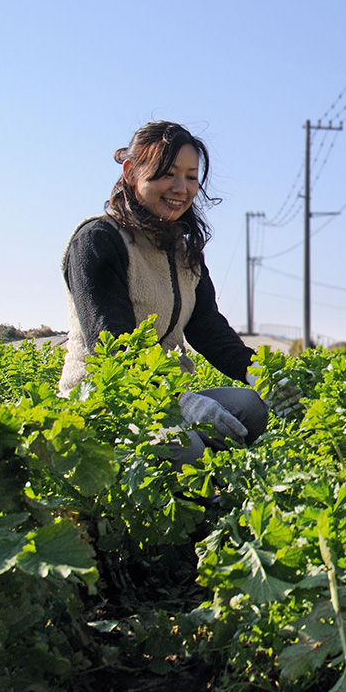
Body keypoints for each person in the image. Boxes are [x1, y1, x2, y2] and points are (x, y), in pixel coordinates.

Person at [58, 121, 273, 463]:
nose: (180, 188)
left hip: (168, 399)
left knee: (250, 408)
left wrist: (263, 375)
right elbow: (112, 343)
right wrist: (183, 402)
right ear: (131, 172)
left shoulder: (181, 251)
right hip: (106, 400)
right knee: (191, 450)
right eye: (167, 173)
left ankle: (210, 474)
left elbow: (209, 330)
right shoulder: (98, 240)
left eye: (190, 176)